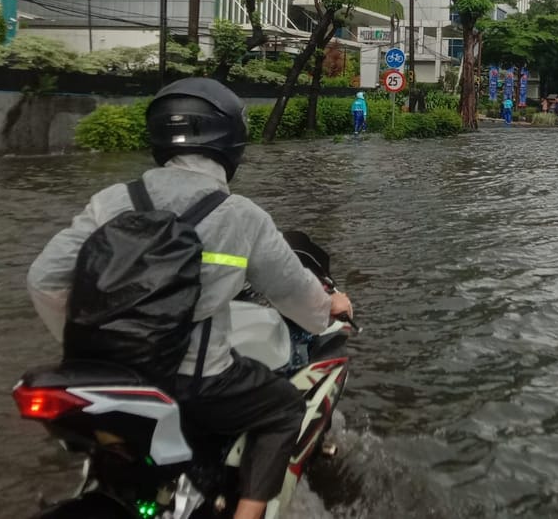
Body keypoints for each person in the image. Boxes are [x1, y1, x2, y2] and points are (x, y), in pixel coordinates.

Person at [28, 79, 354, 519]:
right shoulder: (239, 215)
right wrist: (330, 308)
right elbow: (298, 296)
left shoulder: (112, 201)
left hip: (104, 378)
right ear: (231, 141)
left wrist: (85, 346)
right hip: (197, 383)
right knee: (284, 409)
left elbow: (44, 279)